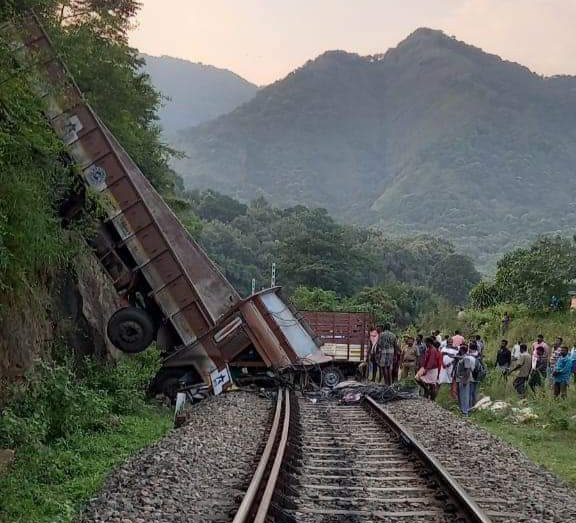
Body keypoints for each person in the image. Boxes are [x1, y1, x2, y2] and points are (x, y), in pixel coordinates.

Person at [454, 344, 476, 416]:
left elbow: (468, 370)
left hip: (464, 379)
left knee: (465, 396)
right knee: (461, 395)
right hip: (460, 379)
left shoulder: (466, 358)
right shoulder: (463, 358)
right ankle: (462, 410)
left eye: (460, 349)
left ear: (462, 350)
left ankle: (465, 412)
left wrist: (465, 380)